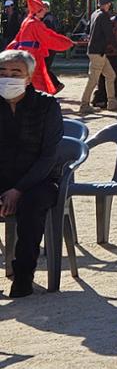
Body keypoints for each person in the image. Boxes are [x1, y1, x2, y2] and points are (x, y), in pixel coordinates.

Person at [0, 48, 64, 298]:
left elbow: (49, 156)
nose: (7, 77)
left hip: (40, 181)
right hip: (3, 178)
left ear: (29, 78)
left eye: (15, 72)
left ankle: (23, 277)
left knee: (32, 204)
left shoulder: (47, 105)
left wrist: (18, 189)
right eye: (2, 72)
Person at [6, 0, 73, 96]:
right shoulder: (35, 24)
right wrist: (67, 43)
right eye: (42, 9)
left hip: (26, 54)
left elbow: (17, 39)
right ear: (37, 12)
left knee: (30, 78)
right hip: (33, 55)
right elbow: (49, 38)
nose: (45, 11)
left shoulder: (27, 21)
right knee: (36, 79)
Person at [80, 0, 117, 114]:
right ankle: (84, 104)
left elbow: (87, 30)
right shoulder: (104, 16)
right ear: (107, 3)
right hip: (98, 52)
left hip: (96, 52)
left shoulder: (94, 14)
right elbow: (110, 36)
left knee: (111, 75)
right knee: (93, 79)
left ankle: (112, 102)